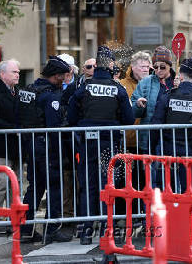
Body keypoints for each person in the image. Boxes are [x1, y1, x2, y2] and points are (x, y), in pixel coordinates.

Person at [68, 46, 135, 245]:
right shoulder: (118, 89)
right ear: (111, 65)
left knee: (88, 184)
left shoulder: (84, 87)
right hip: (110, 145)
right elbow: (129, 119)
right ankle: (109, 229)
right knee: (110, 185)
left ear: (96, 64)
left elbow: (71, 117)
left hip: (87, 144)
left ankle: (86, 231)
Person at [19, 56, 73, 244]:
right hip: (47, 148)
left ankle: (25, 230)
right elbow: (54, 125)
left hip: (31, 146)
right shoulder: (51, 96)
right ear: (56, 76)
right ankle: (51, 230)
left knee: (34, 188)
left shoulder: (29, 89)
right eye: (63, 77)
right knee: (55, 188)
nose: (65, 80)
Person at [151, 58, 192, 192]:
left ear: (181, 76)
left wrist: (152, 147)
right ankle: (189, 213)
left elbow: (155, 124)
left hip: (168, 148)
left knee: (167, 188)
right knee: (190, 190)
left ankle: (169, 213)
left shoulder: (168, 96)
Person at [131, 46, 175, 154]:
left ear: (169, 66)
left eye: (163, 67)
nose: (158, 70)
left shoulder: (178, 82)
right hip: (150, 137)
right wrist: (138, 105)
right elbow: (134, 112)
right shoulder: (146, 82)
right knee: (150, 169)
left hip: (172, 136)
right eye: (155, 67)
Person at [0, 60, 20, 213]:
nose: (18, 75)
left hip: (16, 146)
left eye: (18, 72)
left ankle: (14, 222)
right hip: (0, 146)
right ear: (2, 74)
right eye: (14, 72)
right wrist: (14, 128)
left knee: (16, 185)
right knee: (2, 184)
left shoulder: (17, 91)